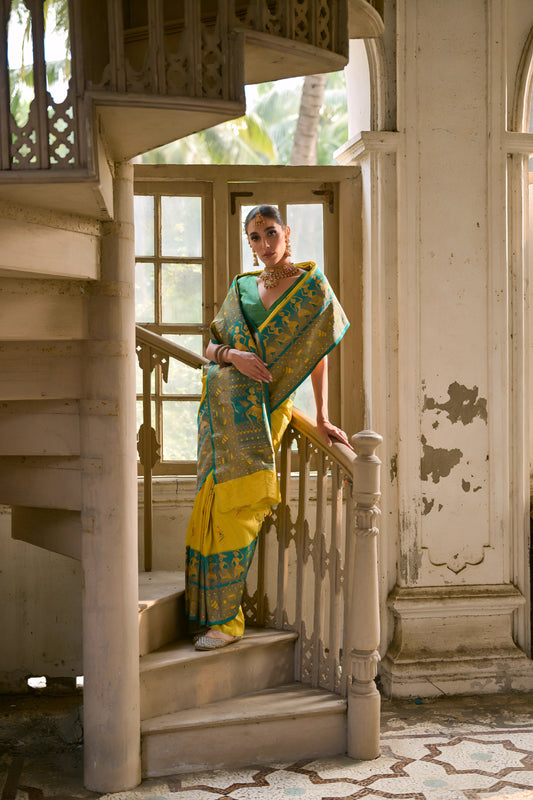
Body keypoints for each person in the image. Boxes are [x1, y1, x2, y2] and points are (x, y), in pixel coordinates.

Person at [185, 205, 350, 650]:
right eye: (254, 237)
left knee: (242, 507)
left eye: (269, 233)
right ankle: (212, 615)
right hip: (220, 412)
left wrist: (321, 416)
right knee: (216, 504)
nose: (262, 245)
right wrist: (233, 356)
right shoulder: (241, 288)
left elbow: (319, 356)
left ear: (287, 233)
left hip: (267, 410)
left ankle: (226, 623)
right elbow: (210, 345)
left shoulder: (311, 289)